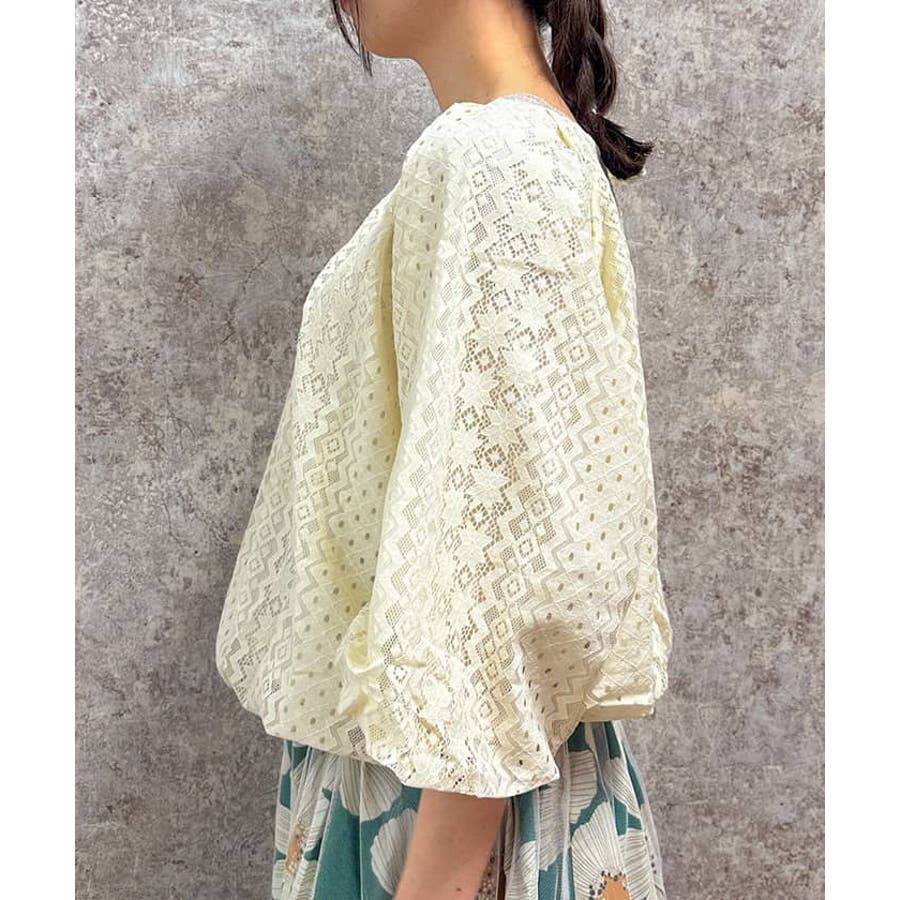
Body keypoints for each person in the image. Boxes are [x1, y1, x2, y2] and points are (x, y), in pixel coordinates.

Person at [215, 2, 674, 898]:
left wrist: (436, 882)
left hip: (438, 811)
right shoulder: (512, 153)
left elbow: (509, 567)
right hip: (445, 780)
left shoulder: (499, 160)